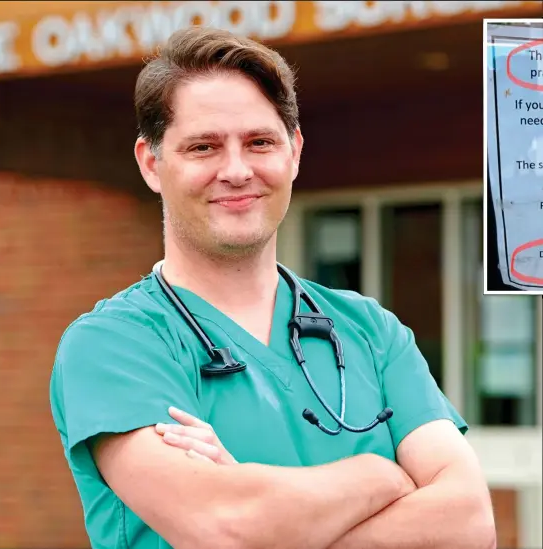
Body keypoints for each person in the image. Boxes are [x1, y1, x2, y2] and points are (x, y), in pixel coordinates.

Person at [49, 26, 496, 549]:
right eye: (203, 147)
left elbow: (468, 524)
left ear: (295, 152)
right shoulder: (115, 345)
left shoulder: (371, 332)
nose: (237, 171)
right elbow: (227, 528)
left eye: (259, 142)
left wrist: (269, 510)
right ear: (153, 164)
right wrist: (381, 477)